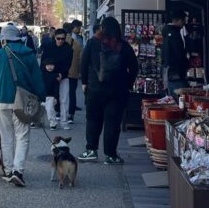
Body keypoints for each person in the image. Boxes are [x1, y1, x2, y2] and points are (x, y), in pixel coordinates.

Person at [0, 22, 45, 187]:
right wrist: (41, 96)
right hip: (23, 102)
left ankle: (8, 170)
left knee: (6, 137)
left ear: (5, 40)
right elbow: (38, 79)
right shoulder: (30, 55)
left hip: (2, 99)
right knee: (22, 136)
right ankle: (18, 171)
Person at [79, 15, 137, 165]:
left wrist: (85, 82)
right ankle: (111, 155)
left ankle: (91, 150)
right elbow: (134, 68)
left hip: (95, 89)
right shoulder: (124, 47)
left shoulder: (93, 43)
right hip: (117, 92)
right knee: (112, 123)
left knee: (93, 120)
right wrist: (127, 84)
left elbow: (83, 63)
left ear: (102, 28)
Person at [41, 28, 73, 129]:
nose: (60, 41)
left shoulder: (68, 49)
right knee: (49, 100)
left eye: (62, 39)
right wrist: (45, 74)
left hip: (63, 76)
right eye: (58, 38)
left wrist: (61, 75)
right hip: (50, 77)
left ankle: (64, 122)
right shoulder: (48, 46)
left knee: (64, 100)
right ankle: (52, 121)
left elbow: (68, 64)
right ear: (55, 37)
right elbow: (43, 61)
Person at [163, 8, 189, 96]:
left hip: (170, 73)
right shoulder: (174, 34)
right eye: (183, 21)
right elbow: (179, 55)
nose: (184, 24)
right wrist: (186, 64)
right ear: (178, 20)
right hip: (176, 74)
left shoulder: (167, 33)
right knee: (181, 99)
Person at [67, 19, 84, 123]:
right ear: (73, 27)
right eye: (78, 27)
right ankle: (69, 114)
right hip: (71, 69)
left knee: (70, 92)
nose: (79, 29)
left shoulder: (80, 39)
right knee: (69, 92)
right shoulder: (72, 40)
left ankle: (69, 113)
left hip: (73, 70)